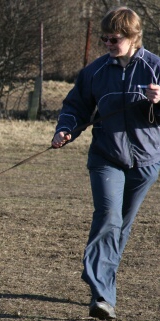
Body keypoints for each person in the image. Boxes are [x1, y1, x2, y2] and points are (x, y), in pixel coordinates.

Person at [52, 6, 160, 320]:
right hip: (106, 157)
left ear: (133, 36)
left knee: (121, 228)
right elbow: (75, 105)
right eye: (105, 39)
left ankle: (100, 276)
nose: (109, 44)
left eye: (114, 39)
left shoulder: (155, 68)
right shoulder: (95, 72)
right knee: (109, 218)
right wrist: (65, 129)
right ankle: (102, 295)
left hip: (146, 162)